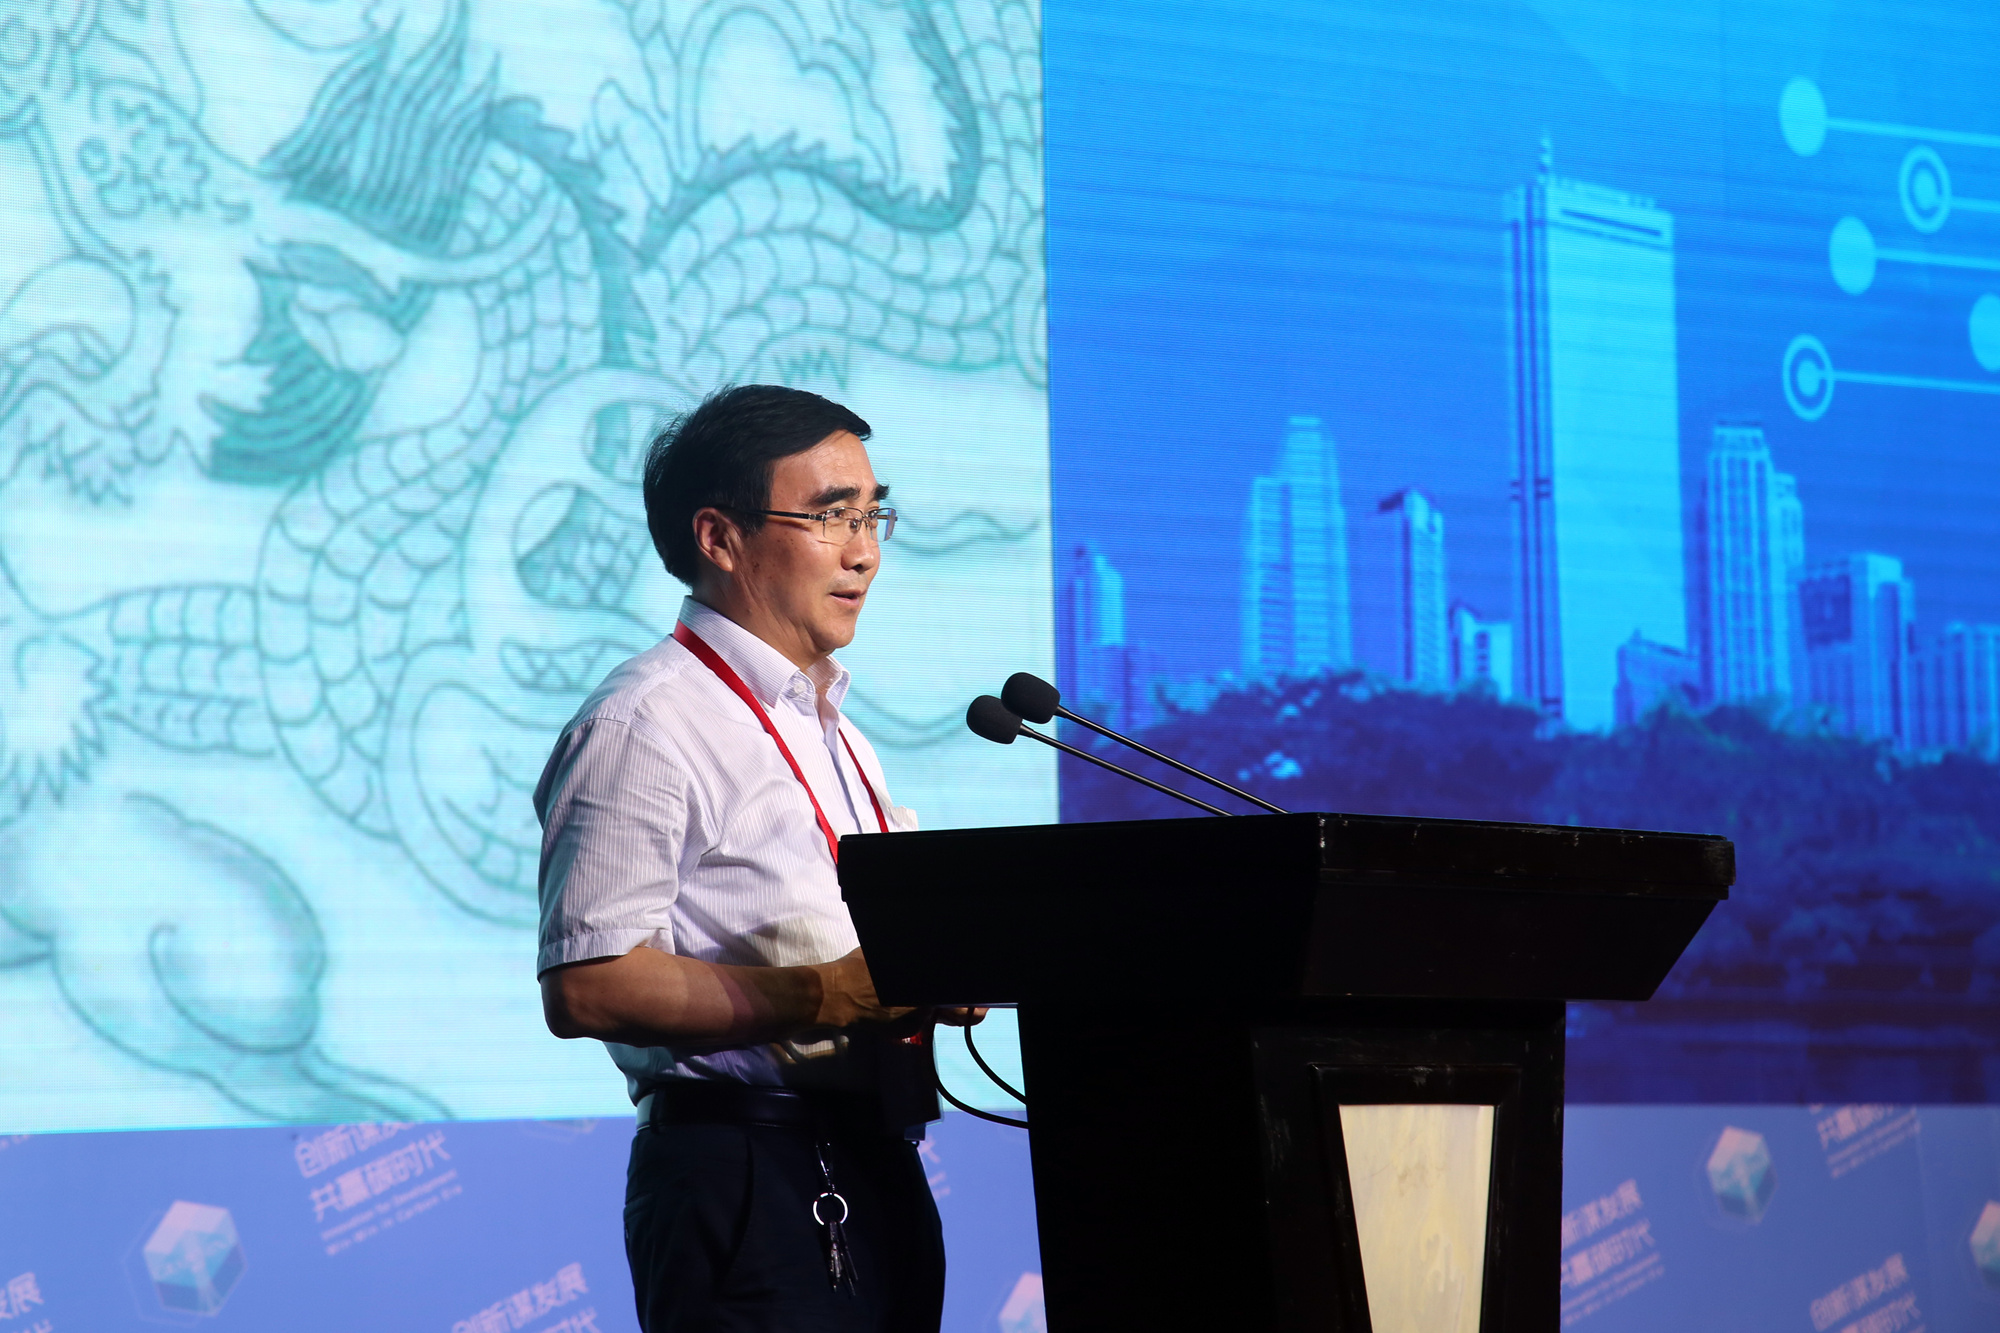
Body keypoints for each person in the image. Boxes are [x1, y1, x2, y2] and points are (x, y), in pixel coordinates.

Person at [533, 384, 974, 1332]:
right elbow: (589, 986)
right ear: (720, 537)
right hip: (745, 1173)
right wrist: (827, 993)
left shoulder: (834, 729)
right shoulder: (646, 721)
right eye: (830, 516)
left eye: (872, 514)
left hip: (874, 1159)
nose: (865, 550)